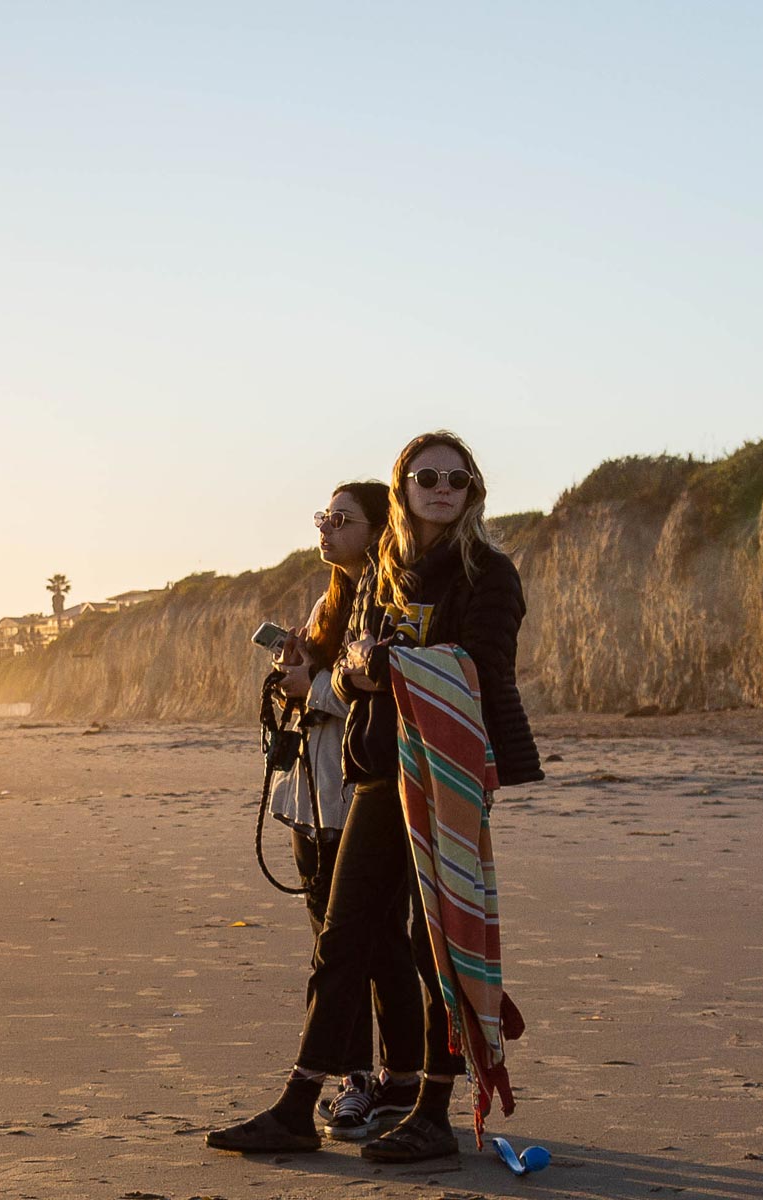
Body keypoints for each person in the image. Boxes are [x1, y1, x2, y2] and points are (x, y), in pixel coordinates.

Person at [209, 431, 542, 1164]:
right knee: (343, 934)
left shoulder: (488, 573)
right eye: (426, 476)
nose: (442, 486)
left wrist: (382, 663)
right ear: (404, 486)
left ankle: (432, 1111)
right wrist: (359, 667)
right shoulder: (383, 572)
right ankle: (299, 1106)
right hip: (377, 770)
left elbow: (482, 667)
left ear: (474, 490)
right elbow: (357, 655)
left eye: (458, 477)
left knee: (436, 946)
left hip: (444, 775)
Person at [259, 480, 411, 1139]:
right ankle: (363, 1079)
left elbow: (390, 693)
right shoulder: (336, 601)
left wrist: (312, 685)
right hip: (313, 796)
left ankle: (386, 1082)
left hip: (360, 799)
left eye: (340, 519)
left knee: (372, 946)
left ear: (377, 528)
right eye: (323, 516)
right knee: (339, 941)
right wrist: (296, 674)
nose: (324, 528)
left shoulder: (388, 601)